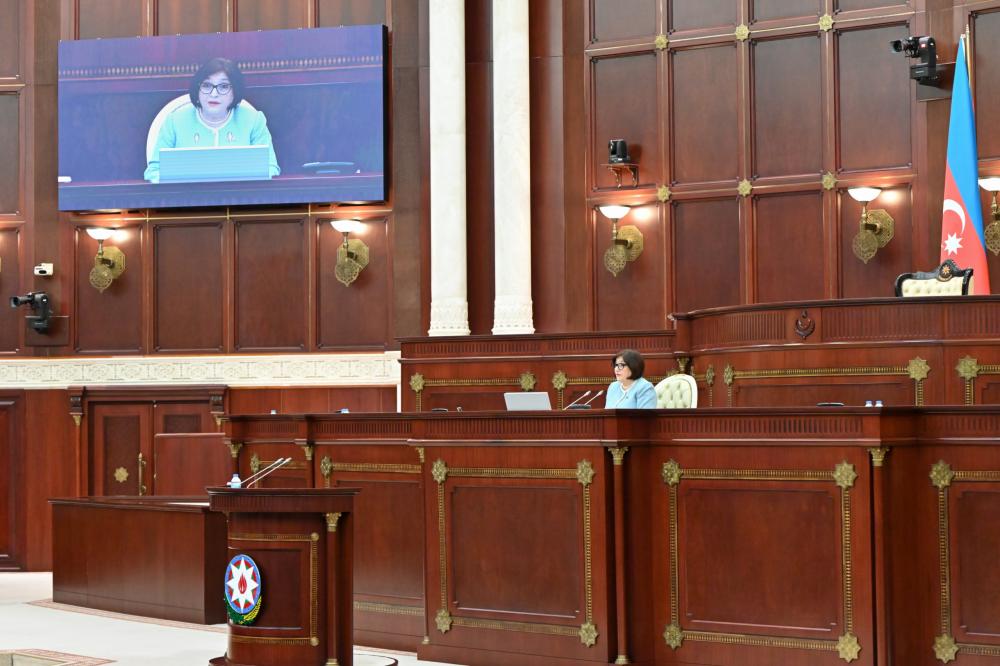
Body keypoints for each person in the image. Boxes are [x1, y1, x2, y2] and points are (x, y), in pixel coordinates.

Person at [143, 57, 280, 182]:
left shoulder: (253, 120)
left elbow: (271, 168)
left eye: (223, 86)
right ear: (197, 89)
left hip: (239, 198)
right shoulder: (175, 121)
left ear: (235, 91)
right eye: (207, 85)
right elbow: (153, 171)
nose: (214, 94)